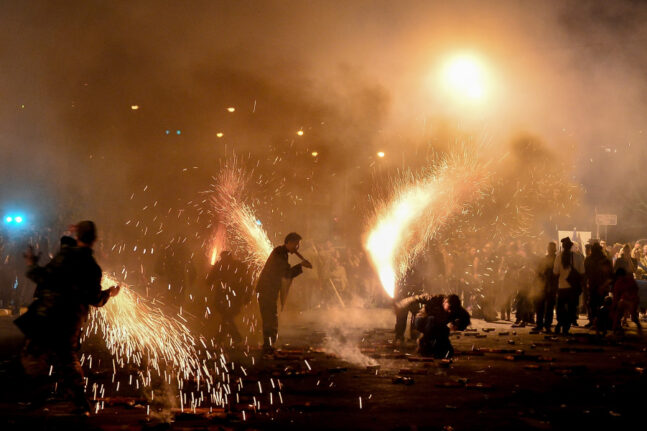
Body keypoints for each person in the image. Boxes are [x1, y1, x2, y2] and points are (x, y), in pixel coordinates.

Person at [17, 221, 120, 414]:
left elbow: (43, 277)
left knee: (33, 354)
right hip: (71, 318)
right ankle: (80, 404)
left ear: (78, 237)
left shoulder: (64, 257)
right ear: (95, 240)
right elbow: (95, 299)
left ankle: (38, 397)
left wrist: (31, 264)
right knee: (67, 358)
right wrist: (110, 293)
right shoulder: (93, 267)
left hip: (48, 314)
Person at [256, 232, 312, 354]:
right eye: (296, 245)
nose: (297, 248)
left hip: (269, 290)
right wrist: (301, 265)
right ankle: (268, 346)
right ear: (290, 242)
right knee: (270, 318)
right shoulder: (279, 254)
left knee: (271, 317)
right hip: (267, 290)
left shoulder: (282, 253)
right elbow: (286, 274)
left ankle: (269, 344)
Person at [397, 293, 470, 358]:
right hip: (422, 320)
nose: (450, 311)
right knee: (432, 320)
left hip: (437, 325)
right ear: (445, 302)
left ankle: (435, 348)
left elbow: (466, 318)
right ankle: (424, 342)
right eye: (449, 307)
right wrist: (402, 303)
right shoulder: (435, 298)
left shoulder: (456, 307)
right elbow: (417, 298)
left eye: (453, 309)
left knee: (444, 332)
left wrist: (457, 325)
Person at [205, 250, 253, 342]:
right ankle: (231, 337)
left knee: (227, 317)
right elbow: (248, 282)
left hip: (223, 298)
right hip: (236, 297)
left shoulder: (219, 265)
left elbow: (209, 280)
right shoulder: (240, 265)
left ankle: (224, 338)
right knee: (227, 317)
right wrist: (248, 295)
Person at [553, 237, 585, 335]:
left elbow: (555, 272)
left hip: (562, 287)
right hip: (573, 288)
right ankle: (566, 328)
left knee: (560, 307)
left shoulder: (558, 257)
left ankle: (560, 323)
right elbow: (582, 272)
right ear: (571, 246)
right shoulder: (578, 257)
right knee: (572, 308)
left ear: (562, 246)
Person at [584, 243, 612, 328]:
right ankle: (595, 322)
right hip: (597, 286)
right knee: (596, 304)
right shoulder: (591, 260)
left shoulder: (602, 260)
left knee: (595, 304)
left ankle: (595, 322)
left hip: (597, 286)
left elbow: (609, 275)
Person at [534, 242, 558, 333]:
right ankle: (540, 324)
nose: (550, 250)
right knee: (541, 306)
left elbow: (557, 273)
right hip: (543, 286)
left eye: (551, 248)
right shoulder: (544, 259)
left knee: (549, 307)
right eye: (549, 248)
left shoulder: (557, 260)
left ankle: (547, 325)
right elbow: (538, 272)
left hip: (551, 286)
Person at [612, 268, 642, 335]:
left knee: (633, 317)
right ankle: (615, 329)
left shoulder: (629, 281)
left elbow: (635, 291)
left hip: (632, 300)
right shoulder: (619, 283)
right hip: (626, 301)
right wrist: (614, 305)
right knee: (618, 314)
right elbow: (616, 296)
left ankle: (638, 326)